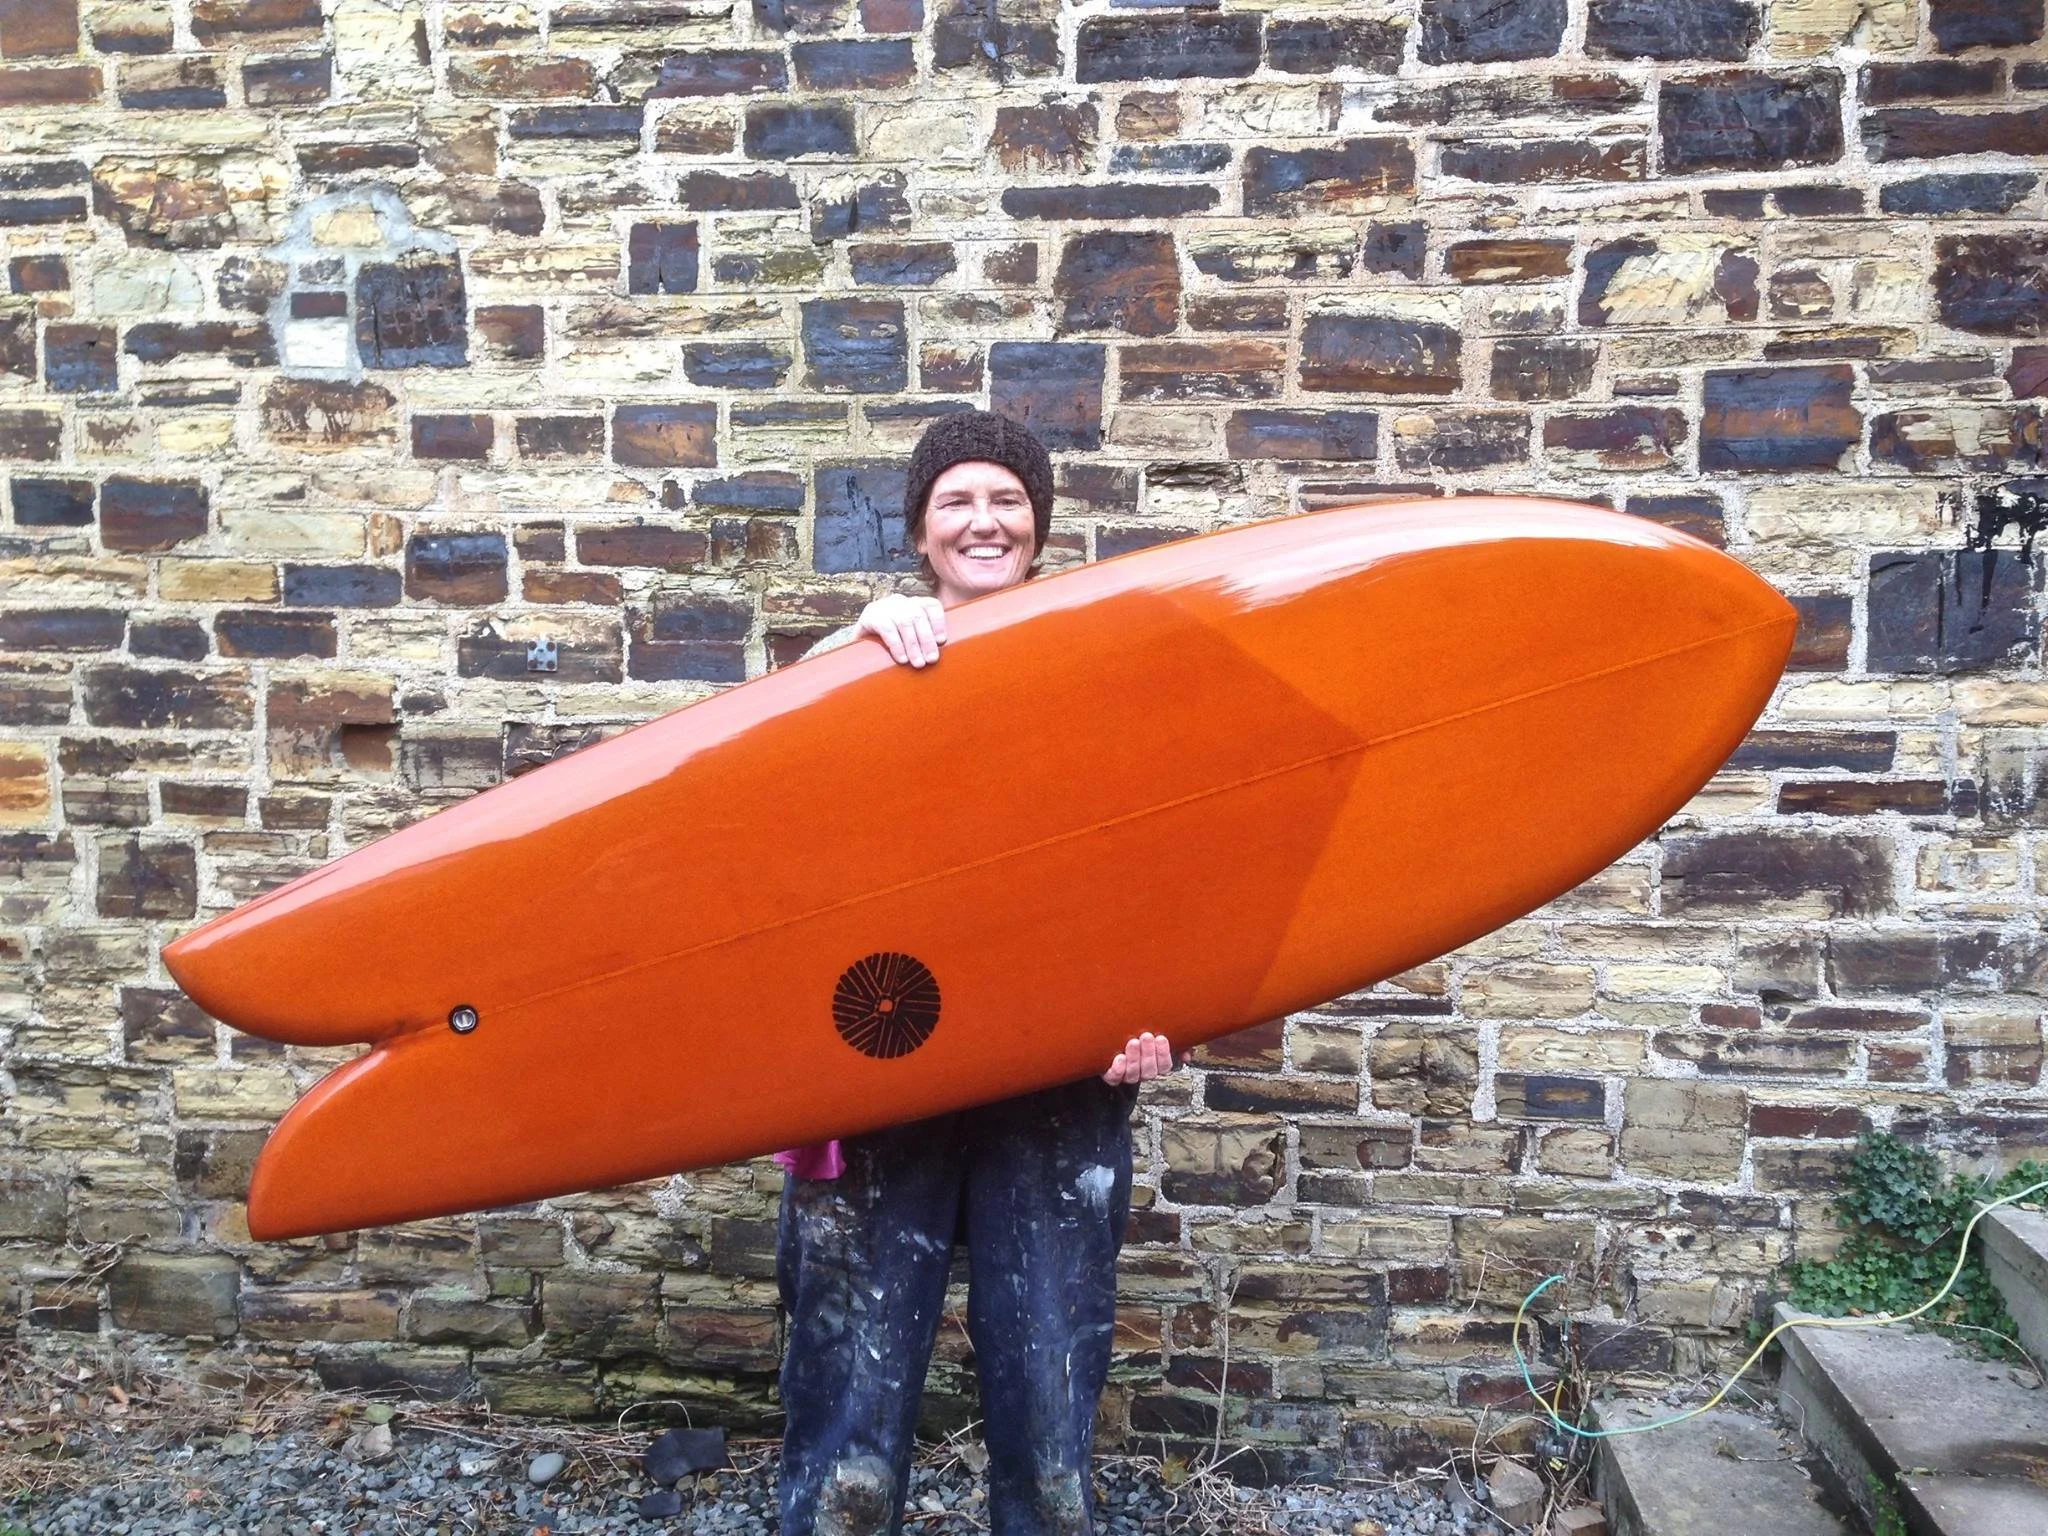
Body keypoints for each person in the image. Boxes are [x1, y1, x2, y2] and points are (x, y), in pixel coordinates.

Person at [773, 410, 1177, 1536]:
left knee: (1047, 1402)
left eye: (1005, 499)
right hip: (877, 1060)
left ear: (1037, 527)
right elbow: (758, 794)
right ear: (919, 530)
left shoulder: (1107, 669)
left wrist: (1161, 1019)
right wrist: (848, 650)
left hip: (1052, 1078)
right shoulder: (866, 656)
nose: (982, 520)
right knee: (844, 1405)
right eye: (956, 500)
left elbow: (1170, 867)